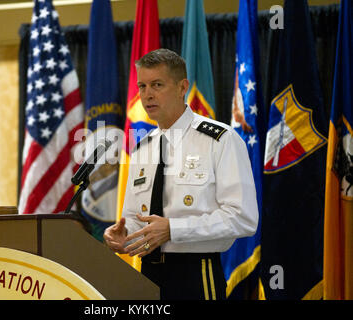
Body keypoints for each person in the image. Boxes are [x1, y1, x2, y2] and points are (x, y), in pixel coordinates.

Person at [103, 48, 258, 300]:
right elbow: (135, 218)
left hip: (196, 273)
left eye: (157, 84)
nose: (147, 95)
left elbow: (243, 218)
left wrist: (174, 229)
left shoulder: (220, 139)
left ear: (182, 86)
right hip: (147, 274)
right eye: (142, 86)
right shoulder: (143, 148)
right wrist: (125, 235)